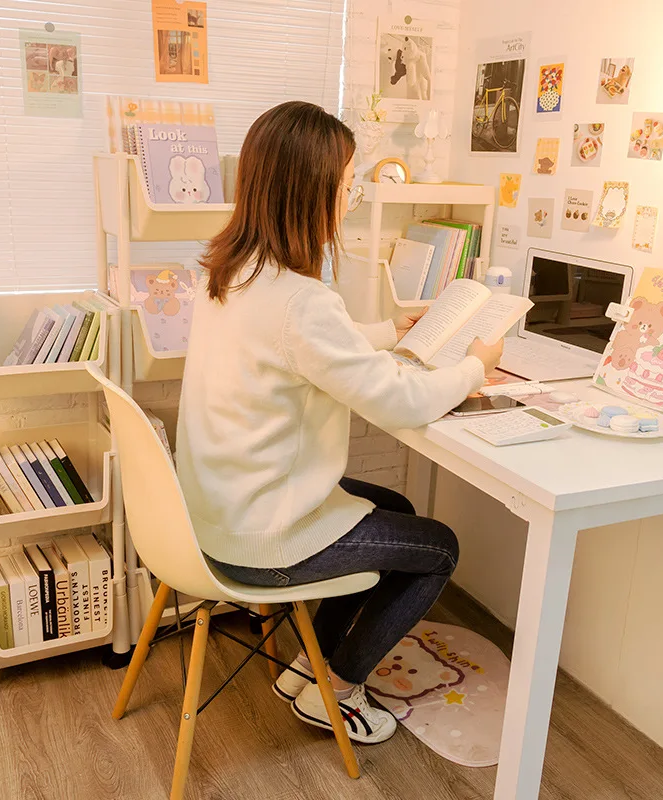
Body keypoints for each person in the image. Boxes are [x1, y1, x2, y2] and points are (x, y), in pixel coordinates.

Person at [176, 101, 503, 744]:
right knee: (438, 548)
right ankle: (339, 688)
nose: (351, 199)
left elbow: (297, 347)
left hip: (218, 512)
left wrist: (386, 333)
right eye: (348, 183)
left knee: (395, 504)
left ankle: (312, 670)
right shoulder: (303, 301)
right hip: (263, 537)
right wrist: (474, 364)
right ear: (311, 190)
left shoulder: (231, 273)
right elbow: (402, 404)